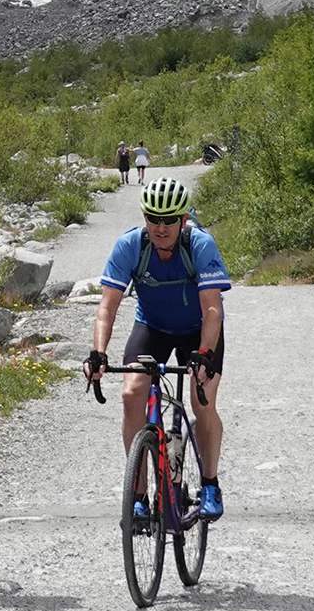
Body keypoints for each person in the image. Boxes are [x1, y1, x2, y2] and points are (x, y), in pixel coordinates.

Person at [85, 175, 231, 521]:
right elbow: (107, 307)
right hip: (153, 328)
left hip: (198, 332)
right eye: (153, 219)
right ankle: (139, 496)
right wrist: (98, 353)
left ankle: (209, 482)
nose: (161, 227)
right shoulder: (131, 246)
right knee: (131, 393)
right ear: (145, 218)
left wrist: (205, 353)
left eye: (169, 220)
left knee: (202, 400)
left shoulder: (200, 245)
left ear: (183, 220)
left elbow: (212, 309)